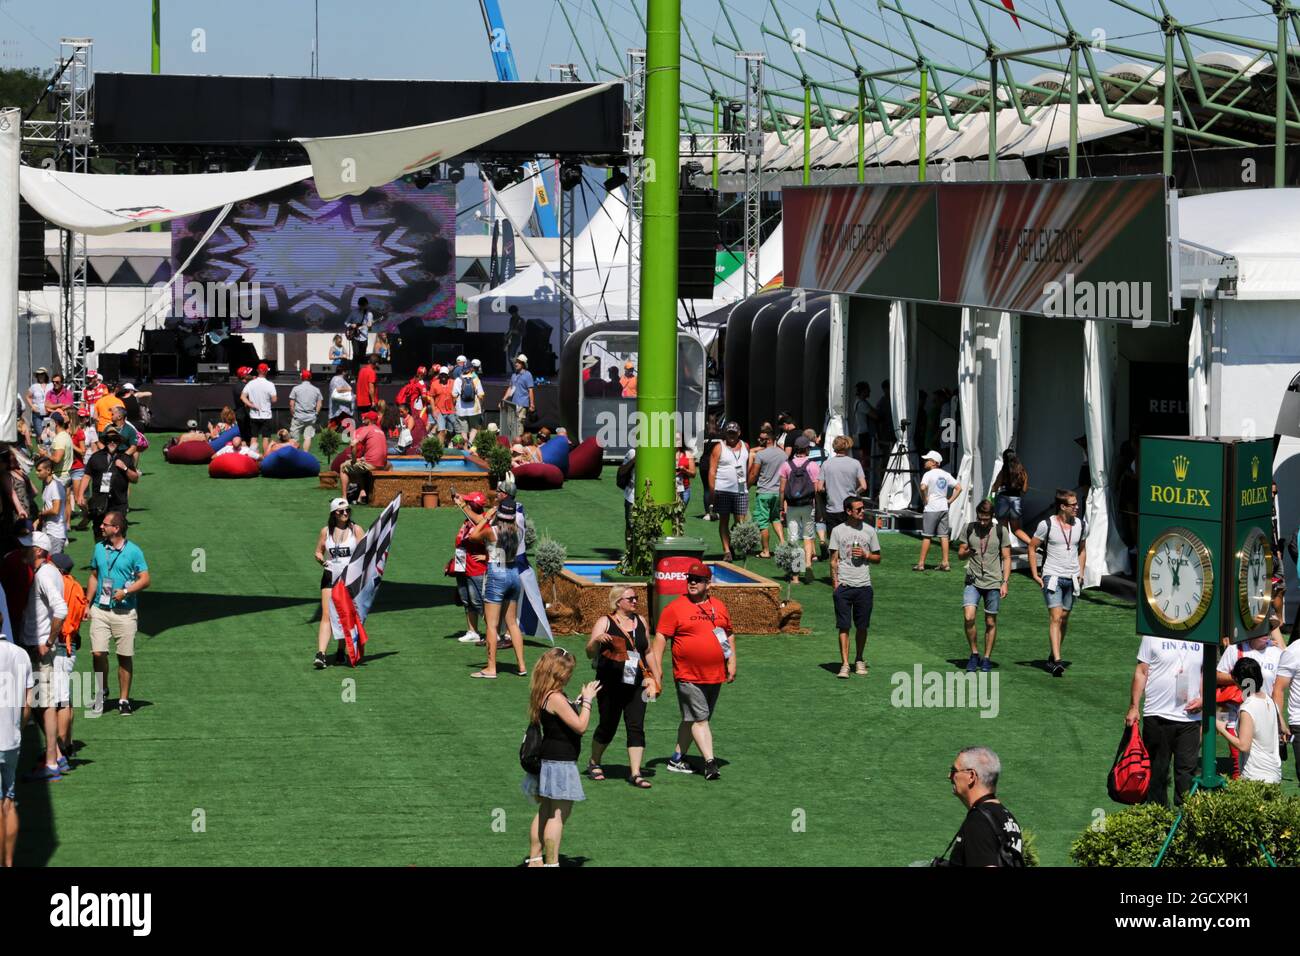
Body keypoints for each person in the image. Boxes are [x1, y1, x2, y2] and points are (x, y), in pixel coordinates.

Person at [651, 559, 734, 780]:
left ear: (708, 583)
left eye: (698, 580)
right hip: (688, 675)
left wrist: (732, 661)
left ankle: (676, 760)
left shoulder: (719, 606)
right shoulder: (674, 608)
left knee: (691, 719)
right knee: (700, 719)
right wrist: (656, 671)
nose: (692, 583)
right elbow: (660, 638)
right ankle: (710, 763)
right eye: (690, 579)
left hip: (715, 674)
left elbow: (728, 633)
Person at [522, 647, 600, 867]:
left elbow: (559, 718)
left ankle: (535, 859)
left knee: (545, 811)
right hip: (561, 764)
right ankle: (552, 863)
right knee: (557, 816)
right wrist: (588, 701)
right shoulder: (555, 697)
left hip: (548, 761)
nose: (569, 676)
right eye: (568, 672)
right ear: (558, 673)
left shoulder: (543, 692)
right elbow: (581, 726)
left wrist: (575, 704)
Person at [585, 586, 654, 789]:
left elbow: (648, 651)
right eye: (630, 598)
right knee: (608, 725)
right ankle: (594, 762)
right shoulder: (604, 622)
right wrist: (596, 640)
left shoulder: (641, 621)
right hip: (610, 685)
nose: (635, 601)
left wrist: (655, 677)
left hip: (637, 684)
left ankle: (635, 773)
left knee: (636, 726)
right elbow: (589, 653)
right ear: (618, 602)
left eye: (636, 597)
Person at [1126, 635, 1203, 805]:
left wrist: (1203, 698)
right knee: (1157, 772)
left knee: (1187, 773)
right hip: (1157, 714)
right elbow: (1142, 671)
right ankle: (1158, 817)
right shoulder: (1151, 635)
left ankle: (1185, 817)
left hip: (1190, 717)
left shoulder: (1201, 636)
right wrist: (1134, 706)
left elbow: (1206, 672)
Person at [86, 512, 149, 716]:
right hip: (100, 609)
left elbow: (145, 579)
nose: (101, 527)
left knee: (124, 656)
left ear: (116, 528)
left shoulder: (134, 551)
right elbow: (94, 576)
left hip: (125, 612)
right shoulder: (98, 548)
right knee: (98, 653)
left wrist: (126, 591)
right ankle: (102, 691)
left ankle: (123, 699)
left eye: (105, 524)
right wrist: (87, 603)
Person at [18, 531, 67, 781]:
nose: (23, 550)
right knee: (40, 702)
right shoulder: (50, 572)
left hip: (39, 648)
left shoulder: (44, 575)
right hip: (36, 647)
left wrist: (48, 641)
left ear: (39, 551)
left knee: (45, 704)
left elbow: (61, 609)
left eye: (28, 547)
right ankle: (56, 755)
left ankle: (51, 763)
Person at [1027, 489, 1088, 677]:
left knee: (1064, 618)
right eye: (1073, 504)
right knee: (1056, 617)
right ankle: (1058, 661)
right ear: (1062, 506)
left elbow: (1082, 549)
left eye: (1077, 504)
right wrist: (1035, 574)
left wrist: (1081, 572)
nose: (1077, 507)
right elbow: (1032, 546)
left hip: (1072, 578)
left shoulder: (1081, 525)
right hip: (1052, 576)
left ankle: (1052, 657)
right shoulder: (1046, 525)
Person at [469, 498, 529, 679]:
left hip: (497, 574)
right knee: (512, 623)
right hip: (513, 574)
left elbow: (473, 536)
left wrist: (486, 517)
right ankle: (522, 666)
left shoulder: (491, 531)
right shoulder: (518, 531)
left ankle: (491, 668)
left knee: (492, 625)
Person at [938, 747, 1024, 867]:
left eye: (954, 771)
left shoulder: (979, 820)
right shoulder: (1008, 818)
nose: (949, 776)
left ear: (971, 776)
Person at [829, 495, 881, 679]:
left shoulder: (869, 531)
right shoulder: (837, 531)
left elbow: (878, 558)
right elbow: (833, 560)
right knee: (844, 626)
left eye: (862, 508)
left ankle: (859, 659)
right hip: (844, 586)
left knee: (862, 626)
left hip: (864, 586)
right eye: (858, 509)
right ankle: (845, 664)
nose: (862, 511)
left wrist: (866, 555)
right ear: (848, 511)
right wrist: (835, 585)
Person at [957, 500, 1011, 673]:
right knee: (969, 617)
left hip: (994, 582)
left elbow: (1007, 558)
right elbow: (960, 554)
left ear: (992, 517)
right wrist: (967, 552)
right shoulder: (969, 528)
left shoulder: (1001, 531)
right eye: (980, 518)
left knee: (990, 621)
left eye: (986, 519)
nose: (982, 522)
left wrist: (1005, 582)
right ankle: (974, 653)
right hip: (972, 580)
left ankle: (986, 658)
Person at [313, 499, 365, 669]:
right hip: (330, 575)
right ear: (334, 513)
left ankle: (341, 650)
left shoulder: (356, 530)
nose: (345, 513)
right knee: (326, 614)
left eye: (347, 510)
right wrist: (321, 560)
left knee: (344, 614)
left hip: (349, 578)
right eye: (341, 511)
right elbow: (318, 551)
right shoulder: (325, 531)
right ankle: (321, 654)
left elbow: (365, 552)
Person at [1216, 657, 1282, 784]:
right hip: (1274, 774)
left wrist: (1221, 730)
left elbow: (1243, 746)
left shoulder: (1247, 707)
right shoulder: (1269, 700)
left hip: (1255, 776)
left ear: (1237, 680)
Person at [50, 551, 86, 769]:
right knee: (66, 698)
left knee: (60, 700)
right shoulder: (75, 585)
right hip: (70, 645)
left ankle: (61, 748)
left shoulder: (59, 585)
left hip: (62, 646)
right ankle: (68, 743)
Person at [0, 629, 32, 866]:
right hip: (11, 740)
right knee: (9, 801)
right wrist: (17, 729)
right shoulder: (21, 654)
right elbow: (27, 704)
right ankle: (9, 862)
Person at [78, 430, 139, 541]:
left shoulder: (125, 458)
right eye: (109, 440)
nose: (112, 442)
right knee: (99, 535)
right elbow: (87, 476)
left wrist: (125, 468)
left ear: (119, 442)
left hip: (118, 504)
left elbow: (135, 479)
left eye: (115, 440)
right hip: (99, 503)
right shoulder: (95, 457)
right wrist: (80, 494)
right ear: (105, 441)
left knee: (117, 536)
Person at [779, 435, 822, 584]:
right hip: (808, 505)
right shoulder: (813, 465)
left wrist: (781, 507)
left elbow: (782, 489)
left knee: (793, 538)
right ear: (807, 449)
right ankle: (808, 564)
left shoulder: (786, 465)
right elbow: (816, 489)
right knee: (808, 537)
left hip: (792, 506)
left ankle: (795, 575)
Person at [449, 492, 490, 646]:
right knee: (466, 600)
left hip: (476, 568)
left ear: (474, 505)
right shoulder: (468, 520)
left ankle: (492, 633)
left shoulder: (484, 521)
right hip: (462, 565)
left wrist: (486, 557)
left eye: (468, 502)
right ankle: (472, 632)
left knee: (478, 602)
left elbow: (495, 543)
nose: (466, 504)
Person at [707, 422, 750, 561]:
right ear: (725, 433)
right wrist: (712, 491)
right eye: (729, 432)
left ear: (739, 433)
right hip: (723, 490)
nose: (731, 435)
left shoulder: (745, 446)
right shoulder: (719, 447)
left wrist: (747, 485)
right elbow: (712, 471)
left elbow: (746, 467)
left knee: (740, 522)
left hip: (741, 490)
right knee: (724, 520)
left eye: (734, 433)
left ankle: (731, 541)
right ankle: (726, 550)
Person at [914, 450, 960, 572]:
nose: (925, 462)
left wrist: (925, 498)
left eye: (927, 460)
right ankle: (945, 562)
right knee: (944, 536)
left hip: (931, 508)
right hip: (943, 507)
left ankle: (921, 563)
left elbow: (922, 487)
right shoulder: (945, 474)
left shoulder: (928, 474)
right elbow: (959, 488)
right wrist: (950, 501)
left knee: (927, 536)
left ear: (934, 462)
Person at [820, 435, 867, 540]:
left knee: (833, 542)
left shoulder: (826, 464)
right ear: (848, 447)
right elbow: (864, 486)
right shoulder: (855, 463)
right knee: (850, 540)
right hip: (850, 508)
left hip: (832, 508)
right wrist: (855, 492)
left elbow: (819, 487)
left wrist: (829, 490)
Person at [750, 428, 788, 558]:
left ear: (768, 440)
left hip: (764, 492)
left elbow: (754, 474)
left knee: (763, 522)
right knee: (776, 519)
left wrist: (747, 486)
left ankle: (765, 551)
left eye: (761, 439)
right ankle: (782, 543)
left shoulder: (761, 455)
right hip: (777, 493)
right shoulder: (783, 455)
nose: (758, 440)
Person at [341, 411, 387, 505]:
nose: (363, 419)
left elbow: (353, 443)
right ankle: (362, 492)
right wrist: (363, 458)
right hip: (382, 464)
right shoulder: (380, 431)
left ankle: (344, 497)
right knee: (359, 466)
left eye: (365, 418)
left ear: (369, 420)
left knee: (343, 467)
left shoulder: (367, 428)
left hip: (371, 464)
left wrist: (354, 459)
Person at [990, 449, 1031, 546]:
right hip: (1016, 500)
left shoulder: (1003, 472)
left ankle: (1005, 551)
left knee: (1004, 530)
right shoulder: (1022, 472)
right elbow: (1024, 490)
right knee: (1016, 529)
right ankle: (1033, 545)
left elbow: (995, 488)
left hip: (1003, 500)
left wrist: (994, 488)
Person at [241, 363, 278, 456]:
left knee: (254, 437)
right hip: (266, 415)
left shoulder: (251, 383)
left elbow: (242, 397)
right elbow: (274, 400)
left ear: (257, 371)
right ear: (266, 372)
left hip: (254, 415)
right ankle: (265, 458)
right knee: (266, 438)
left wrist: (251, 405)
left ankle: (252, 458)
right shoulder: (270, 384)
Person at [33, 458, 67, 555]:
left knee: (54, 562)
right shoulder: (47, 485)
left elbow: (55, 510)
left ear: (48, 470)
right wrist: (38, 520)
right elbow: (48, 506)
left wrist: (41, 513)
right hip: (49, 530)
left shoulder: (55, 486)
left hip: (56, 533)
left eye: (39, 470)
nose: (36, 473)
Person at [502, 354, 536, 442]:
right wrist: (503, 399)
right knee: (510, 424)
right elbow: (510, 388)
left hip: (522, 404)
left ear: (523, 364)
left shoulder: (528, 375)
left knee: (519, 424)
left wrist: (532, 404)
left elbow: (530, 390)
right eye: (516, 362)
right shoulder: (514, 375)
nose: (516, 364)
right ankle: (513, 442)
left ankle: (519, 443)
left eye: (519, 362)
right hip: (513, 404)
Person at [288, 369, 323, 453]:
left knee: (294, 438)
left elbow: (291, 404)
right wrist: (316, 413)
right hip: (310, 417)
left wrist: (293, 414)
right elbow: (320, 404)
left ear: (301, 377)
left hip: (298, 416)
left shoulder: (296, 388)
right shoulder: (316, 389)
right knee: (308, 437)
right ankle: (305, 455)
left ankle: (294, 456)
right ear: (310, 377)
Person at [453, 363, 485, 444]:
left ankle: (465, 444)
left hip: (461, 409)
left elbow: (454, 395)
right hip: (474, 409)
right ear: (471, 369)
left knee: (463, 430)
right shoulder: (476, 379)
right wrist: (481, 404)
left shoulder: (458, 380)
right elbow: (481, 395)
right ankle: (470, 442)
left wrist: (455, 406)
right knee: (474, 427)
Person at [349, 297, 374, 373]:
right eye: (361, 305)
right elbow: (346, 322)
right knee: (356, 355)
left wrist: (370, 326)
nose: (363, 307)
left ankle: (362, 373)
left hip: (364, 338)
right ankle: (354, 373)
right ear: (359, 305)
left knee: (363, 356)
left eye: (364, 305)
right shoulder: (354, 312)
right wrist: (351, 325)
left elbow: (370, 329)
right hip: (355, 336)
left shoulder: (369, 314)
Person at [429, 367, 456, 437]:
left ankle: (450, 440)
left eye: (445, 374)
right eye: (442, 374)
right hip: (439, 410)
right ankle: (440, 444)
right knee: (441, 430)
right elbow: (431, 397)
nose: (443, 376)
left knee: (454, 429)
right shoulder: (434, 384)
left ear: (448, 375)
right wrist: (433, 410)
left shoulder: (453, 382)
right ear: (439, 375)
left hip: (452, 410)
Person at [26, 368, 50, 440]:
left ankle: (47, 446)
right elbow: (27, 396)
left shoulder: (51, 385)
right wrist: (32, 406)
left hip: (48, 413)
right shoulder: (34, 386)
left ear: (45, 375)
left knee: (49, 434)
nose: (40, 376)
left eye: (42, 374)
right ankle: (41, 446)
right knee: (40, 434)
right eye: (38, 375)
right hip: (37, 414)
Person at [674, 434, 696, 509]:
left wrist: (684, 470)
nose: (675, 441)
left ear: (682, 441)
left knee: (680, 513)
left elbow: (693, 474)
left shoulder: (688, 454)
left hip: (684, 489)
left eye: (678, 439)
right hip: (670, 489)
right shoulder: (666, 454)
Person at [356, 353, 379, 421]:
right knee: (370, 422)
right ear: (376, 363)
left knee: (362, 422)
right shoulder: (371, 372)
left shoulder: (361, 370)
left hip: (360, 401)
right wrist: (373, 401)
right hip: (368, 402)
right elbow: (371, 388)